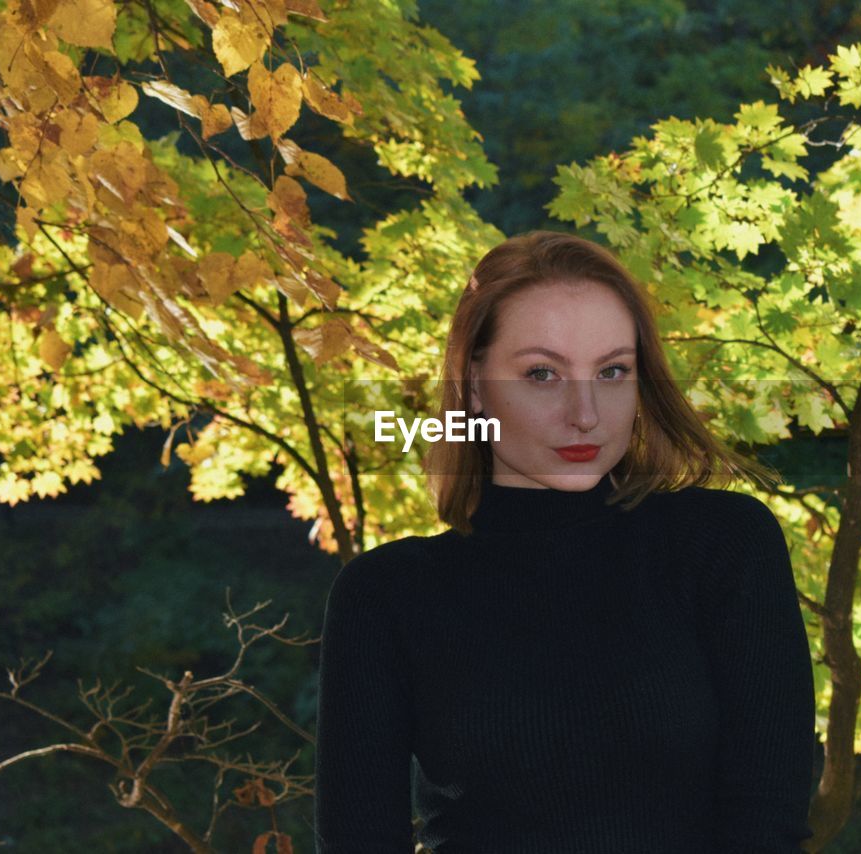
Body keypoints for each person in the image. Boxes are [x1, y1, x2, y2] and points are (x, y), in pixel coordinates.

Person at [314, 231, 815, 853]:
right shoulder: (387, 593)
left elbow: (769, 817)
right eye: (542, 374)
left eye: (611, 371)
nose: (585, 412)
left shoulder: (722, 544)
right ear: (475, 387)